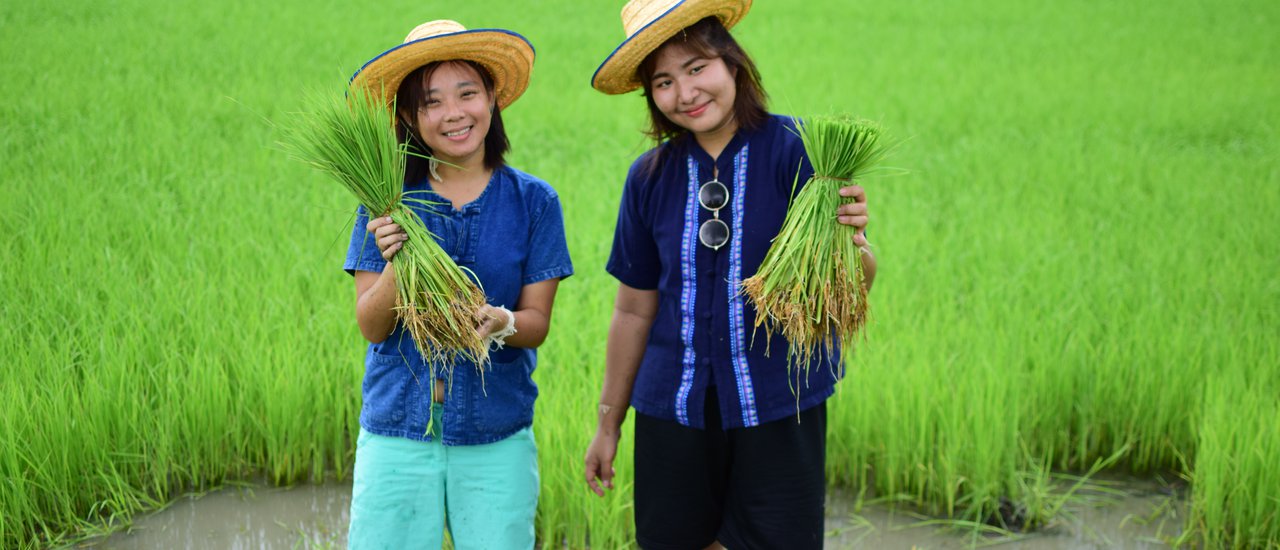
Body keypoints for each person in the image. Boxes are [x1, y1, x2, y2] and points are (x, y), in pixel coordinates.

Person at [581, 1, 875, 548]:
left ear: (733, 64)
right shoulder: (649, 177)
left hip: (778, 402)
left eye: (697, 69)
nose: (685, 93)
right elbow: (632, 308)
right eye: (664, 81)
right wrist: (607, 424)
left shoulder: (801, 152)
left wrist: (855, 242)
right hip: (672, 406)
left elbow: (846, 288)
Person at [342, 19, 573, 549]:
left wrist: (502, 322)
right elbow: (371, 326)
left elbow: (536, 323)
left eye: (467, 93)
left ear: (492, 97)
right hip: (398, 431)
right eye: (431, 102)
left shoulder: (534, 202)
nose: (453, 114)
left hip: (495, 435)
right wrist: (400, 261)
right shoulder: (385, 201)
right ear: (408, 115)